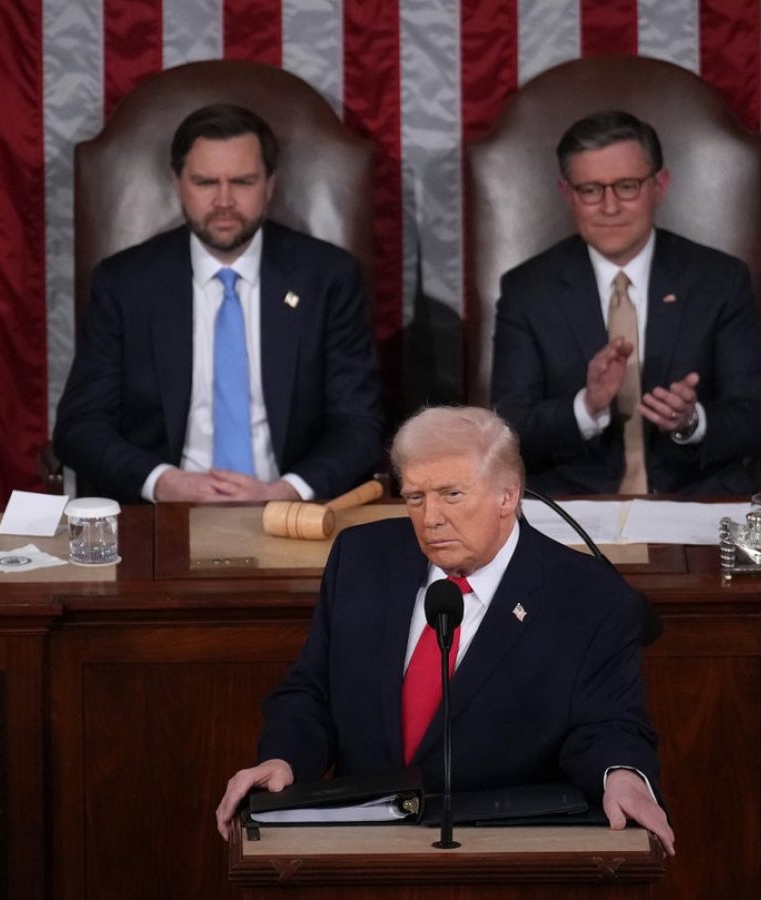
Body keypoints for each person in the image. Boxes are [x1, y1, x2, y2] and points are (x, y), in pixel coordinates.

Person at [215, 406, 675, 855]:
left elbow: (609, 725)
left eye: (451, 494)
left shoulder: (588, 596)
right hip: (362, 850)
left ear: (507, 496)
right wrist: (284, 759)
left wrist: (623, 775)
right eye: (415, 497)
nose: (430, 517)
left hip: (504, 855)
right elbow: (311, 692)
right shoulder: (361, 560)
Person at [53, 103, 383, 503]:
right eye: (206, 182)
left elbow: (359, 423)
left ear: (270, 185)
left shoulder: (327, 278)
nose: (224, 200)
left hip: (291, 513)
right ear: (178, 183)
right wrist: (161, 482)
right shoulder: (126, 283)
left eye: (242, 182)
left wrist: (288, 491)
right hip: (165, 516)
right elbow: (81, 425)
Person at [490, 109, 761, 497]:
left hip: (695, 497)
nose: (609, 207)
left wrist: (691, 421)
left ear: (660, 185)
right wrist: (586, 407)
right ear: (567, 194)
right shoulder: (528, 289)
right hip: (574, 504)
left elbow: (754, 419)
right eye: (590, 190)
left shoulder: (719, 280)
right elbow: (510, 427)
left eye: (626, 186)